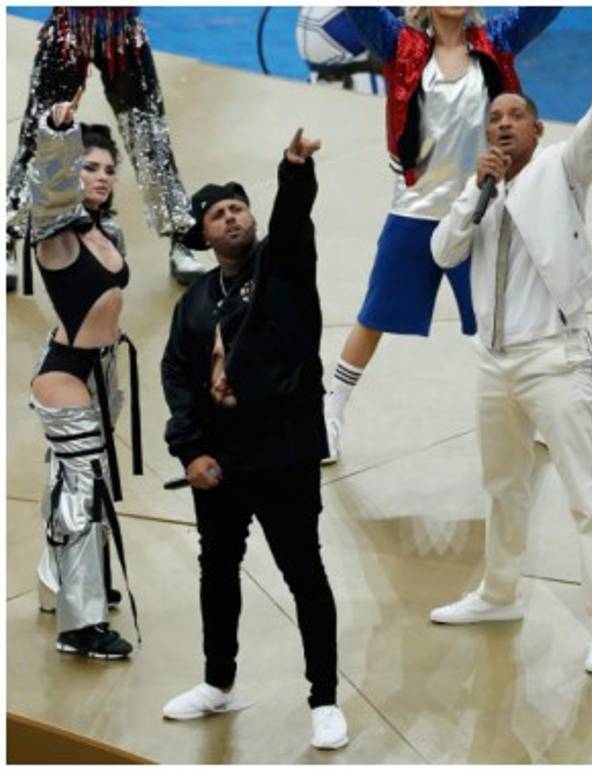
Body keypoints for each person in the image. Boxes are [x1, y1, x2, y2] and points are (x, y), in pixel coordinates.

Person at [159, 128, 347, 750]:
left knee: (304, 574)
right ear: (205, 235)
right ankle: (218, 683)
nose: (232, 217)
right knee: (218, 572)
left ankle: (324, 698)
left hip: (284, 453)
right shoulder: (192, 306)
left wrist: (293, 170)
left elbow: (293, 218)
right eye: (218, 213)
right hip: (221, 465)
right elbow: (178, 379)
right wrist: (192, 452)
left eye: (238, 207)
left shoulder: (282, 264)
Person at [322, 6, 559, 464]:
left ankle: (529, 411)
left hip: (482, 211)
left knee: (505, 323)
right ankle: (331, 412)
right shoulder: (400, 45)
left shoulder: (498, 41)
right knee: (373, 318)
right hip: (415, 210)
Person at [428, 76, 592, 674]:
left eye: (515, 116)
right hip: (493, 361)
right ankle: (499, 595)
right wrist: (475, 192)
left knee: (587, 496)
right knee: (503, 486)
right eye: (494, 118)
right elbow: (443, 252)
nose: (503, 124)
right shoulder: (479, 190)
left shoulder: (563, 168)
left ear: (538, 129)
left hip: (553, 356)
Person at [27, 89, 141, 660]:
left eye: (106, 170)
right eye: (88, 168)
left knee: (70, 486)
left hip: (103, 373)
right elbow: (45, 195)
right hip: (66, 375)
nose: (100, 177)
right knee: (81, 495)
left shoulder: (104, 230)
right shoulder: (58, 236)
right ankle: (79, 626)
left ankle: (62, 585)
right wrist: (55, 133)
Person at [7, 7, 205, 290]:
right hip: (69, 28)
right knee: (38, 136)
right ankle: (7, 238)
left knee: (151, 140)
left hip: (123, 30)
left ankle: (181, 240)